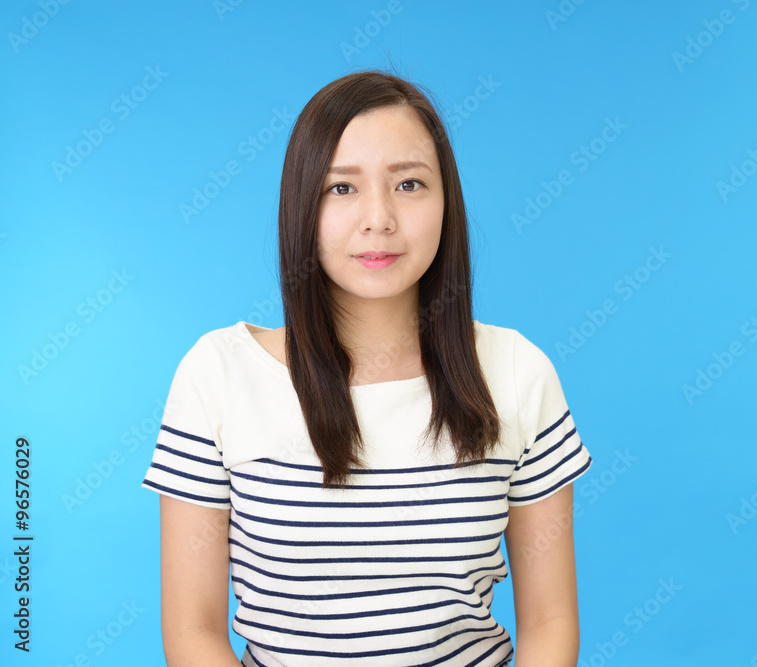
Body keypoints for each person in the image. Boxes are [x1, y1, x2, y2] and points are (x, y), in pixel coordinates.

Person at [141, 69, 593, 666]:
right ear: (301, 205)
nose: (378, 217)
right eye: (341, 187)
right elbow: (192, 631)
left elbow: (550, 622)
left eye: (409, 183)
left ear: (447, 202)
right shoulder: (219, 375)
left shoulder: (516, 371)